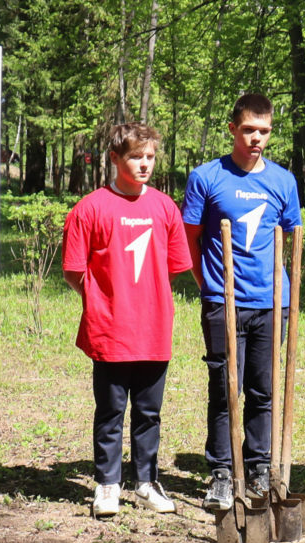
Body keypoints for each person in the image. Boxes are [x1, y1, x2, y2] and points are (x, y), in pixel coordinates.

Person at [62, 122, 192, 518]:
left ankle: (146, 482)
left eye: (150, 157)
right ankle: (107, 484)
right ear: (115, 159)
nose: (144, 164)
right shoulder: (91, 208)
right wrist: (103, 302)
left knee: (149, 413)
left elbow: (172, 267)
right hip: (110, 332)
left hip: (153, 330)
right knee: (111, 411)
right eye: (136, 156)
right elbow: (73, 270)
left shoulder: (165, 207)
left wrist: (146, 299)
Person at [181, 93, 303, 511]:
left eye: (264, 131)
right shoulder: (206, 176)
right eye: (249, 129)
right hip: (223, 300)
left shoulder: (283, 181)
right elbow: (191, 237)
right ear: (232, 128)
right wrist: (207, 284)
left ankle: (258, 466)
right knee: (224, 388)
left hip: (271, 302)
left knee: (262, 389)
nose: (256, 138)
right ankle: (221, 472)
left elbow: (292, 235)